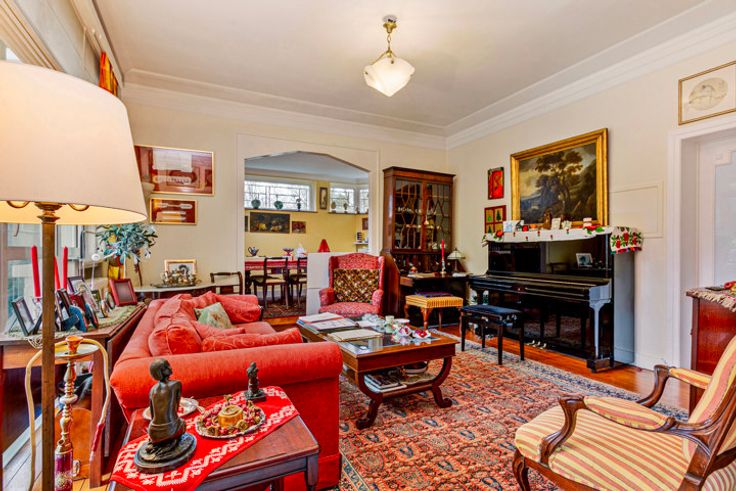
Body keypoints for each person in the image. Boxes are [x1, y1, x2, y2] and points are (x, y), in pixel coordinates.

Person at [147, 359, 186, 444]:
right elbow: (176, 408)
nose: (170, 368)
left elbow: (152, 413)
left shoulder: (152, 390)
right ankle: (172, 441)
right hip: (170, 429)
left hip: (152, 431)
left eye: (169, 365)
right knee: (183, 423)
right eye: (165, 368)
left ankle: (158, 442)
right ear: (159, 372)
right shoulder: (176, 384)